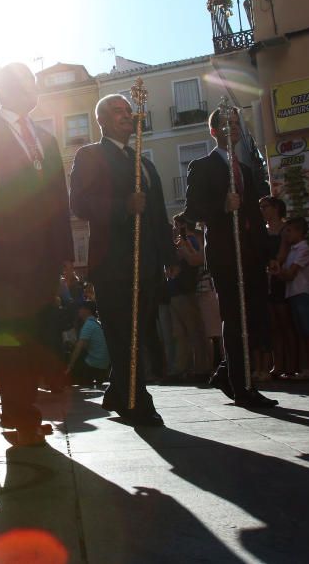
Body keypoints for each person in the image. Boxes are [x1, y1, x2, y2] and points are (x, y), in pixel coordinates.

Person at [0, 62, 74, 447]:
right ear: (5, 89)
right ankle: (21, 416)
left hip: (42, 256)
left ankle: (21, 410)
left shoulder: (46, 140)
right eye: (27, 81)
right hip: (2, 252)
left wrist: (65, 253)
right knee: (11, 337)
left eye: (35, 82)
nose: (34, 87)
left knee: (36, 333)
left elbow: (59, 198)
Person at [70, 93, 176, 425]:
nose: (126, 115)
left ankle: (118, 390)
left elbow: (158, 213)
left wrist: (168, 255)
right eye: (118, 111)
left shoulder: (144, 162)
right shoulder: (89, 155)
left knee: (140, 331)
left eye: (129, 110)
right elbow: (80, 203)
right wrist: (122, 207)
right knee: (121, 332)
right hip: (113, 262)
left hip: (146, 262)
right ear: (101, 119)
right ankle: (136, 400)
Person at [182, 105, 277, 408]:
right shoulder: (202, 166)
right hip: (225, 251)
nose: (231, 128)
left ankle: (228, 372)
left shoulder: (246, 170)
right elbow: (193, 210)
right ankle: (242, 385)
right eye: (225, 124)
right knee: (234, 318)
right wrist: (221, 206)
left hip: (249, 252)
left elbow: (253, 214)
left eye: (235, 123)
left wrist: (267, 252)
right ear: (213, 131)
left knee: (254, 316)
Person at [271, 217, 309, 379]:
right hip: (292, 293)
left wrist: (277, 272)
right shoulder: (292, 250)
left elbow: (291, 273)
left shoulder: (303, 249)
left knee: (308, 331)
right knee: (300, 331)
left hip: (303, 293)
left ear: (299, 231)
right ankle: (305, 368)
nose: (286, 235)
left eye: (289, 231)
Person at [169, 213, 213, 380]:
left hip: (186, 290)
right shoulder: (180, 242)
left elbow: (193, 260)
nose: (174, 228)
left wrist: (183, 247)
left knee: (194, 330)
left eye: (176, 225)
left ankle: (202, 367)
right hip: (176, 290)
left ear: (183, 225)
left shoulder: (190, 240)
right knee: (180, 333)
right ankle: (183, 367)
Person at [260, 196, 298, 378]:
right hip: (267, 278)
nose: (262, 210)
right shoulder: (263, 230)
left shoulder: (285, 228)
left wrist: (275, 264)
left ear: (276, 208)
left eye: (265, 207)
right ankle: (279, 364)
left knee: (286, 323)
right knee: (273, 324)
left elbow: (284, 251)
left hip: (281, 277)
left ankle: (291, 364)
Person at [66, 300, 110, 387]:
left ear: (87, 311)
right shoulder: (97, 323)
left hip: (94, 364)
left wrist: (70, 366)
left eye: (81, 308)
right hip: (104, 365)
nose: (79, 310)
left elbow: (79, 347)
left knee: (72, 353)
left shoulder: (88, 325)